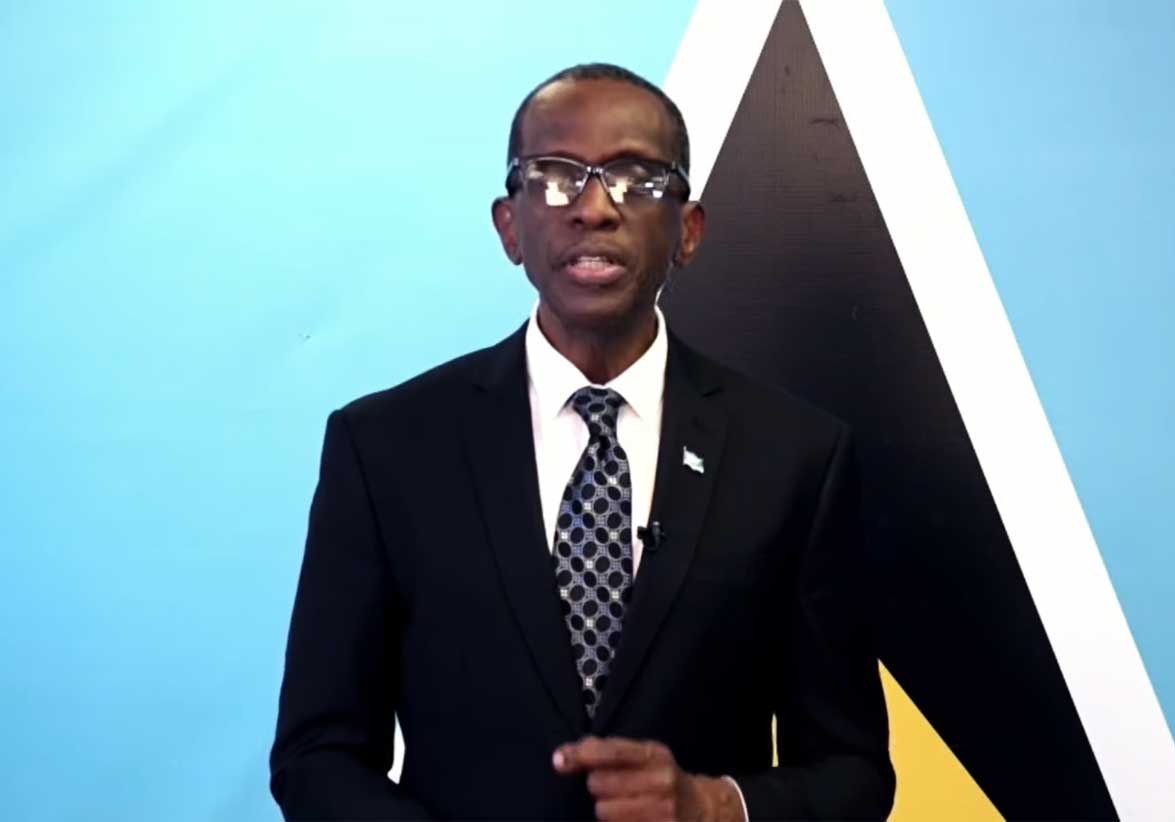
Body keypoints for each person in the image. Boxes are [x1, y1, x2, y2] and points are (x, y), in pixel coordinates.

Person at [269, 63, 894, 820]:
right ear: (509, 226)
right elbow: (317, 755)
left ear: (689, 231)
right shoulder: (386, 448)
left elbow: (853, 773)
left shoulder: (796, 457)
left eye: (636, 179)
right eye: (556, 178)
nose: (594, 208)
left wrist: (714, 807)